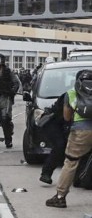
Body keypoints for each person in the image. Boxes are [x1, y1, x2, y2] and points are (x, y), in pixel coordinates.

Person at [47, 70, 92, 208]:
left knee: (71, 162)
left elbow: (66, 117)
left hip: (81, 131)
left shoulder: (71, 93)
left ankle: (60, 197)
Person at [0, 53, 20, 149]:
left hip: (5, 98)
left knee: (5, 119)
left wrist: (11, 92)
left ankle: (8, 140)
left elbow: (16, 83)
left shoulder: (8, 72)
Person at [39, 92, 70, 185]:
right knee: (60, 146)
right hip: (54, 123)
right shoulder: (70, 95)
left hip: (69, 124)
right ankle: (46, 173)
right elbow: (67, 117)